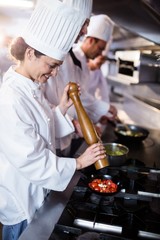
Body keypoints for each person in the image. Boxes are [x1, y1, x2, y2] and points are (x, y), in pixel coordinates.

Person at [0, 1, 106, 240]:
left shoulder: (32, 88)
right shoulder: (9, 99)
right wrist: (78, 163)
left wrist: (61, 109)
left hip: (38, 192)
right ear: (30, 53)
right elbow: (31, 160)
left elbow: (41, 130)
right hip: (21, 203)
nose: (55, 73)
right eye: (52, 65)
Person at [45, 14, 117, 156]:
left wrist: (95, 116)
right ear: (90, 41)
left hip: (67, 130)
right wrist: (77, 123)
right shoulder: (67, 58)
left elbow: (78, 95)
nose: (100, 53)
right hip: (54, 131)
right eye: (100, 48)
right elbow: (73, 96)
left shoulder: (79, 61)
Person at [44, 0, 93, 155]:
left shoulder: (69, 57)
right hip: (46, 142)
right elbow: (36, 103)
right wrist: (70, 121)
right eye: (83, 23)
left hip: (66, 136)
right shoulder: (41, 53)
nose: (85, 31)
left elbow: (77, 94)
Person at [87, 54, 117, 124]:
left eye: (101, 65)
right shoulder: (81, 68)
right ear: (91, 58)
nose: (98, 67)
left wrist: (105, 113)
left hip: (91, 107)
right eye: (98, 63)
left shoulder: (98, 71)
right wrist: (105, 108)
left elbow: (103, 93)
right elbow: (82, 96)